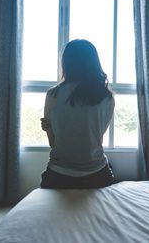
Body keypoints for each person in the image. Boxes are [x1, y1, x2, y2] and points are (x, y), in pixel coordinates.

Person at [40, 39, 115, 189]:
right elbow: (96, 139)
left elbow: (53, 143)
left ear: (66, 63)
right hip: (97, 175)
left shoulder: (53, 95)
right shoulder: (107, 97)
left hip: (59, 175)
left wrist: (48, 128)